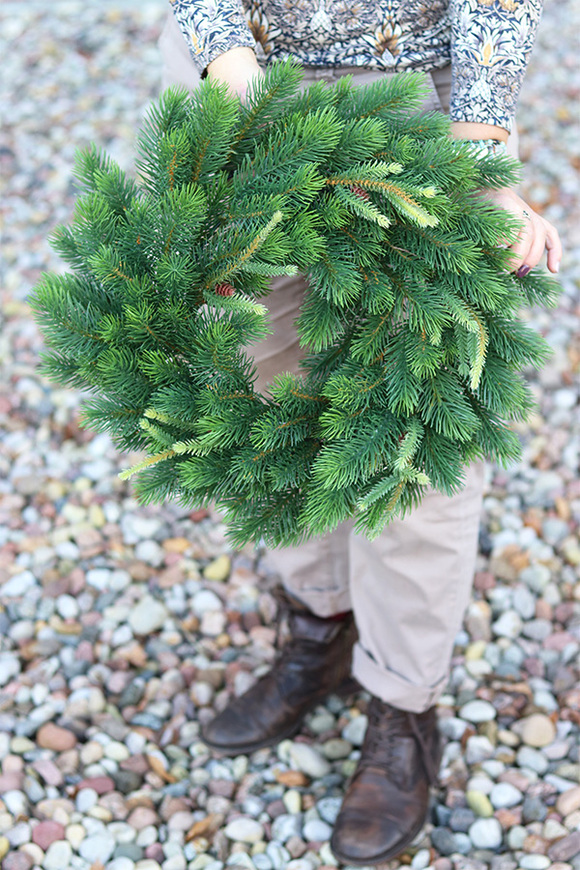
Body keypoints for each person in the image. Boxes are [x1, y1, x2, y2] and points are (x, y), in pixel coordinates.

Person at [158, 1, 562, 864]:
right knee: (266, 393)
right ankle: (319, 630)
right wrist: (232, 68)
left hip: (414, 89)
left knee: (414, 427)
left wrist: (482, 150)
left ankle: (403, 703)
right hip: (243, 78)